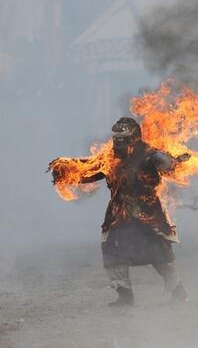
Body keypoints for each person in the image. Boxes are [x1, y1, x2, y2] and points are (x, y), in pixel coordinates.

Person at [48, 118, 189, 306]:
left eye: (124, 138)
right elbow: (88, 170)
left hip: (147, 212)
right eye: (117, 138)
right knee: (113, 253)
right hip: (119, 214)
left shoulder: (149, 154)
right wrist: (65, 169)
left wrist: (177, 162)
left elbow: (171, 167)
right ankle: (124, 295)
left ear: (135, 137)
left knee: (159, 254)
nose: (119, 143)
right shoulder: (109, 158)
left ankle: (178, 291)